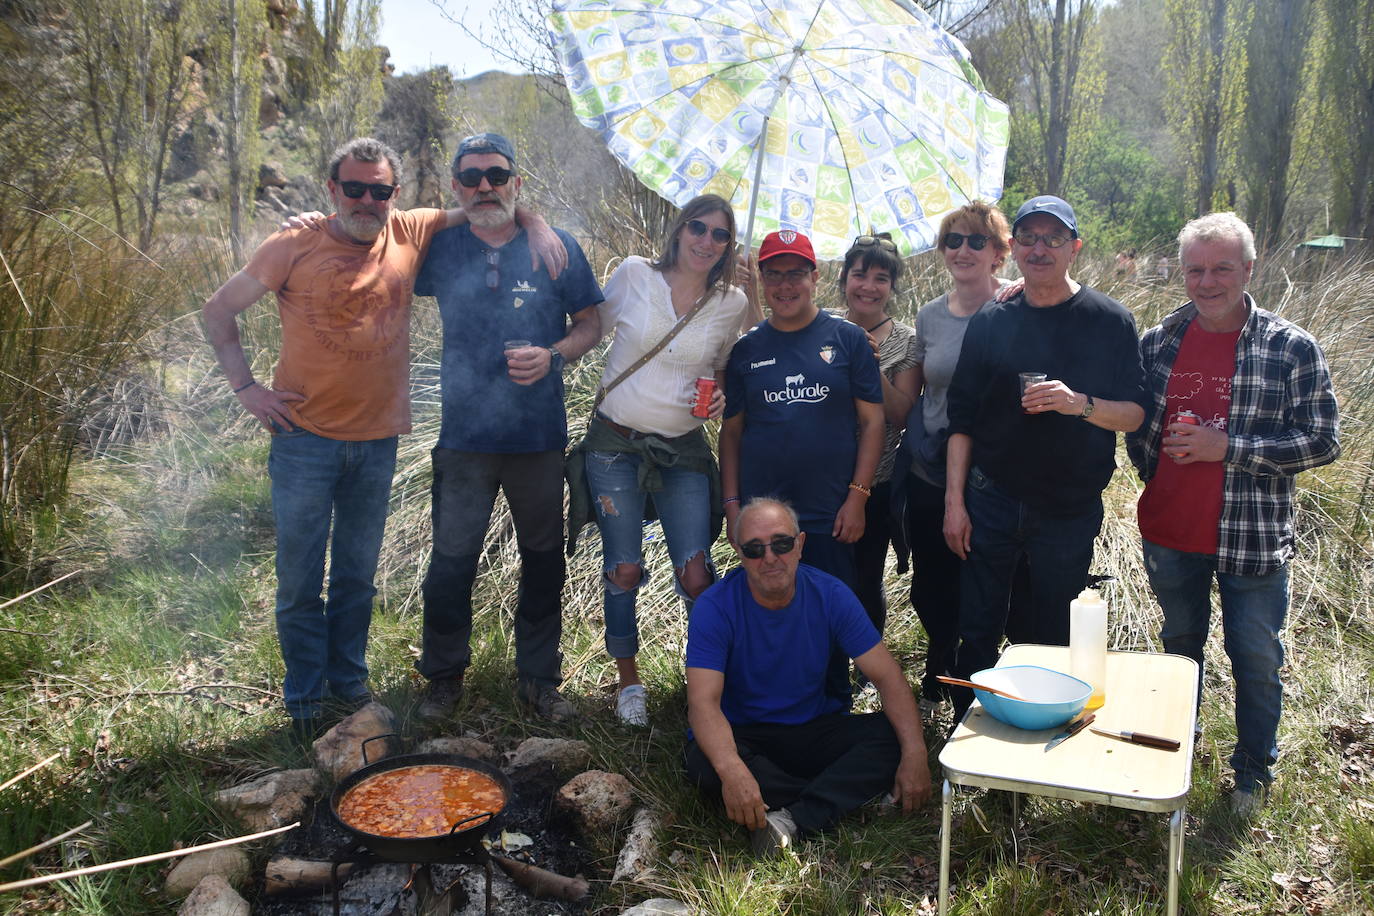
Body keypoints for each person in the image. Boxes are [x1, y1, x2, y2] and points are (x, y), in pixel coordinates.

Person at [201, 137, 449, 737]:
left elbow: (490, 206)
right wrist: (246, 390)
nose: (367, 200)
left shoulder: (410, 232)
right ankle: (306, 702)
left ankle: (348, 683)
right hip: (304, 439)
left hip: (377, 442)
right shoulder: (294, 241)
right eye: (355, 188)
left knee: (358, 575)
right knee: (299, 579)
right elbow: (218, 311)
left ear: (396, 194)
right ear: (332, 189)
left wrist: (539, 226)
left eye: (380, 190)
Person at [1126, 212, 1339, 816]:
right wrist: (1164, 479)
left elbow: (1323, 440)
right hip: (1170, 533)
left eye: (1222, 268)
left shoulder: (1289, 347)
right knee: (1178, 650)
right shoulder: (1158, 342)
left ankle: (1252, 772)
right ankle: (1175, 753)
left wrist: (1230, 450)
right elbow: (1140, 431)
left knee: (1256, 658)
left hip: (1254, 539)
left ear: (1249, 269)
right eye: (1196, 269)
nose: (1207, 281)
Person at [414, 133, 603, 722]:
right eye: (470, 177)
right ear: (455, 186)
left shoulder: (557, 248)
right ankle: (442, 679)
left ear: (516, 181)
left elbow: (592, 322)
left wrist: (555, 355)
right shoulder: (439, 247)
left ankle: (539, 681)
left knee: (545, 557)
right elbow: (378, 229)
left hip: (537, 436)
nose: (484, 187)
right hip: (463, 436)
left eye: (497, 175)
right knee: (451, 558)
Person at [943, 195, 1147, 717]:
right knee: (979, 621)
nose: (1040, 249)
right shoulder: (993, 318)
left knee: (1056, 624)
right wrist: (955, 503)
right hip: (990, 497)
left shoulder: (1110, 321)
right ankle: (972, 731)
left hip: (1068, 505)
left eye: (1053, 238)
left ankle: (1049, 725)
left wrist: (1079, 404)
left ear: (1074, 248)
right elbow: (961, 419)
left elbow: (1135, 415)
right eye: (1029, 238)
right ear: (1012, 248)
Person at [572, 193, 750, 726]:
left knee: (697, 574)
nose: (707, 241)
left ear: (728, 246)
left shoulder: (732, 303)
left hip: (684, 450)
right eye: (699, 227)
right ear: (678, 230)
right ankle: (629, 685)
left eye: (720, 235)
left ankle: (707, 682)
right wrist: (545, 357)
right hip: (615, 443)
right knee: (624, 567)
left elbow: (722, 370)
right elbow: (589, 330)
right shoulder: (633, 275)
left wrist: (719, 398)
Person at [684, 498, 931, 854]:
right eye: (754, 549)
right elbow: (702, 704)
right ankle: (837, 797)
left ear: (799, 545)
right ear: (738, 552)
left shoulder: (831, 595)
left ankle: (791, 819)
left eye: (781, 544)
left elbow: (889, 679)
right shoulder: (714, 607)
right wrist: (732, 769)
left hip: (813, 728)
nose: (769, 558)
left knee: (895, 737)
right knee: (706, 764)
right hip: (743, 733)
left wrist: (916, 753)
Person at [904, 202, 1030, 714]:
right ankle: (940, 661)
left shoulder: (1019, 307)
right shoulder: (930, 315)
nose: (964, 250)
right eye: (953, 240)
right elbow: (916, 394)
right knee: (931, 583)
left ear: (1000, 254)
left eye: (978, 241)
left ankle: (981, 681)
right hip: (930, 468)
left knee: (986, 583)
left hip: (993, 472)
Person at [719, 230, 883, 594]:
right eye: (774, 274)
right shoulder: (745, 350)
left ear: (815, 276)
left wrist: (858, 497)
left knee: (830, 613)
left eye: (795, 273)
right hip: (763, 515)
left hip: (830, 511)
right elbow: (730, 433)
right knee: (769, 613)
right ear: (761, 279)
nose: (785, 285)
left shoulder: (849, 339)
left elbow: (873, 423)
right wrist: (732, 507)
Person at [836, 234, 919, 637]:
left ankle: (869, 667)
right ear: (844, 279)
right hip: (821, 477)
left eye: (880, 278)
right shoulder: (821, 327)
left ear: (892, 287)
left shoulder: (906, 340)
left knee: (866, 578)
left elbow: (903, 414)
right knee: (822, 577)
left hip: (877, 483)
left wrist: (870, 366)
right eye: (859, 275)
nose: (868, 287)